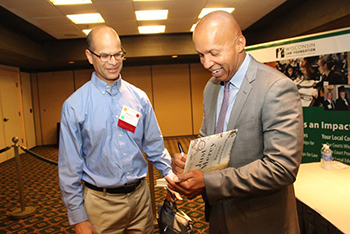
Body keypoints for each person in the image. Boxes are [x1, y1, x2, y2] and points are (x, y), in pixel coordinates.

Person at [166, 11, 304, 234]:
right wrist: (188, 161)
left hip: (262, 222)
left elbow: (282, 167)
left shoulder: (276, 87)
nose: (206, 63)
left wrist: (209, 183)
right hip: (219, 217)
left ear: (240, 43)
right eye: (200, 55)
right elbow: (208, 140)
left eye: (213, 52)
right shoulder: (211, 88)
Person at [58, 25, 176, 234]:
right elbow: (70, 167)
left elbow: (154, 145)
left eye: (117, 54)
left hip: (141, 200)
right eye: (104, 56)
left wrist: (170, 174)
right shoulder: (75, 105)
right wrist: (78, 218)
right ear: (89, 56)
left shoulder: (139, 98)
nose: (113, 62)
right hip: (101, 204)